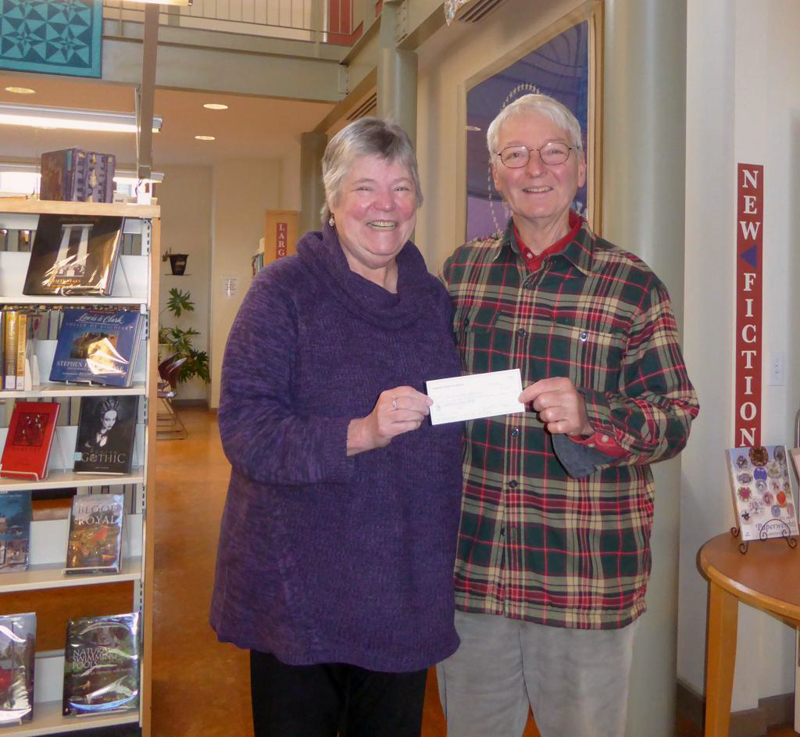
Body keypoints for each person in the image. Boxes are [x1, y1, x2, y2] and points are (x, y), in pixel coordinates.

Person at [437, 94, 699, 737]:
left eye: (553, 152)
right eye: (514, 155)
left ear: (579, 168)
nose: (535, 168)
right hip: (477, 570)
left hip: (584, 574)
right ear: (495, 174)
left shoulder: (631, 285)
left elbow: (676, 417)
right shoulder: (461, 275)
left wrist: (593, 417)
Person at [210, 117, 464, 737]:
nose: (385, 206)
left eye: (401, 188)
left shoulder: (434, 301)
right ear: (331, 198)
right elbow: (245, 429)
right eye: (365, 188)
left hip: (404, 585)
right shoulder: (283, 293)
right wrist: (361, 433)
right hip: (301, 590)